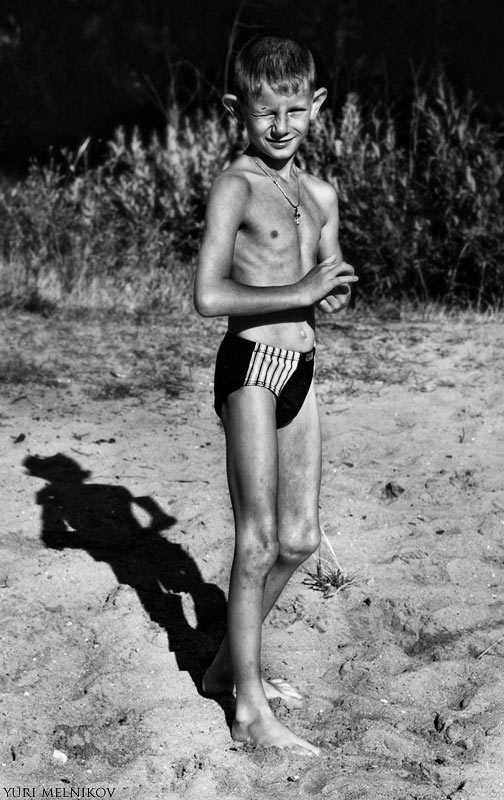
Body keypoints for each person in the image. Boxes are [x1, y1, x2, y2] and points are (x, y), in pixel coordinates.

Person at [194, 33, 357, 756]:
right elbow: (208, 295)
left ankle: (225, 668)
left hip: (302, 367)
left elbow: (326, 277)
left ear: (316, 105)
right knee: (256, 540)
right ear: (238, 109)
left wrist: (334, 292)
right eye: (265, 112)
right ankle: (249, 711)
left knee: (299, 539)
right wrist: (300, 290)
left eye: (295, 109)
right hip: (251, 368)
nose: (281, 125)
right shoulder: (235, 185)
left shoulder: (319, 194)